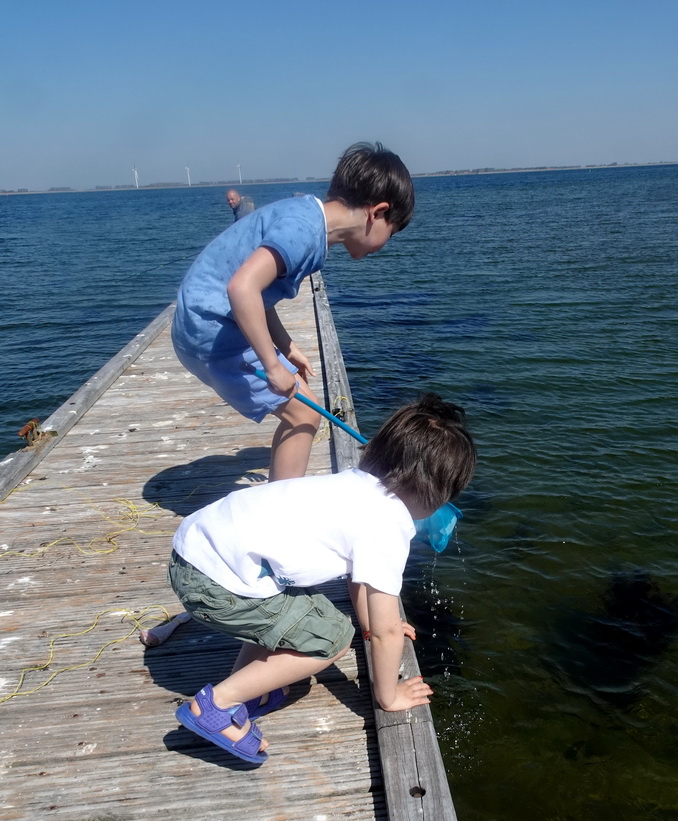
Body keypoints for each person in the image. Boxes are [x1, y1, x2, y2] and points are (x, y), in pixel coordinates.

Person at [170, 393, 477, 765]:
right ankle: (215, 707)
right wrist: (389, 695)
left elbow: (360, 580)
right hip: (217, 583)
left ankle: (247, 689)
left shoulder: (353, 483)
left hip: (198, 550)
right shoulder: (388, 525)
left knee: (297, 612)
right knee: (331, 637)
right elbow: (385, 634)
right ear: (436, 494)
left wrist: (377, 621)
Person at [172, 142, 414, 482]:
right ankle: (280, 514)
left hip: (201, 321)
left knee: (301, 408)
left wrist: (285, 347)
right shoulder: (305, 233)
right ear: (377, 212)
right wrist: (272, 365)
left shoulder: (306, 215)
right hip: (209, 328)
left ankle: (279, 496)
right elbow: (242, 289)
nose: (385, 246)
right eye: (392, 232)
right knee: (305, 415)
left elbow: (261, 293)